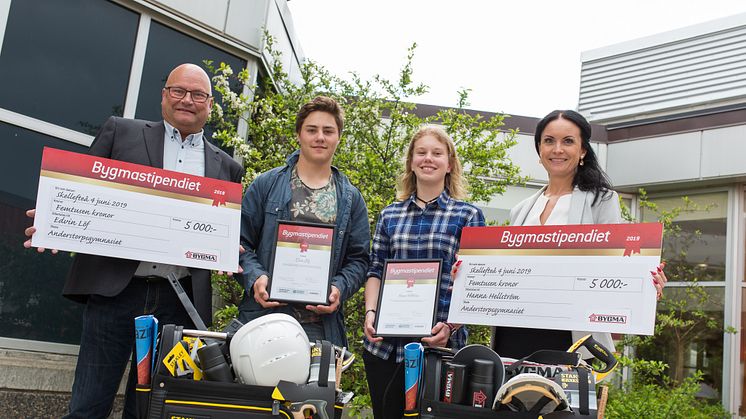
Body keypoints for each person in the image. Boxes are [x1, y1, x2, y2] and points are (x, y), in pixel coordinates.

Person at [23, 63, 244, 418]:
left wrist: (225, 247)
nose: (188, 100)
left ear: (210, 104)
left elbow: (220, 231)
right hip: (116, 291)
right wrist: (53, 219)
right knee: (88, 406)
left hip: (178, 300)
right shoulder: (122, 132)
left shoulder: (227, 167)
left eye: (198, 94)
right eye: (179, 91)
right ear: (163, 96)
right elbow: (79, 190)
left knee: (147, 410)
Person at [492, 109, 667, 359]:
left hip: (570, 335)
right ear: (539, 149)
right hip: (514, 331)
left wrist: (644, 284)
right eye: (549, 141)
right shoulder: (520, 210)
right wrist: (469, 274)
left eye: (568, 141)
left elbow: (616, 266)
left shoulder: (602, 200)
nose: (557, 149)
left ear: (583, 150)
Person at [362, 126, 485, 418]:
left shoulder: (467, 215)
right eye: (421, 152)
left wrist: (451, 326)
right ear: (411, 161)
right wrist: (370, 314)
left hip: (439, 346)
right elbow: (375, 270)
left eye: (437, 153)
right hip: (385, 348)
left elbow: (476, 283)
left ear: (449, 163)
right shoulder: (389, 215)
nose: (428, 158)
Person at [238, 96, 370, 346]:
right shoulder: (266, 184)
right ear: (299, 134)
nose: (320, 137)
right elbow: (239, 243)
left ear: (338, 137)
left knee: (315, 388)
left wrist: (339, 288)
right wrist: (256, 278)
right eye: (312, 130)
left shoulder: (350, 198)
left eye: (328, 131)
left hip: (320, 328)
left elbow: (360, 259)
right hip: (264, 319)